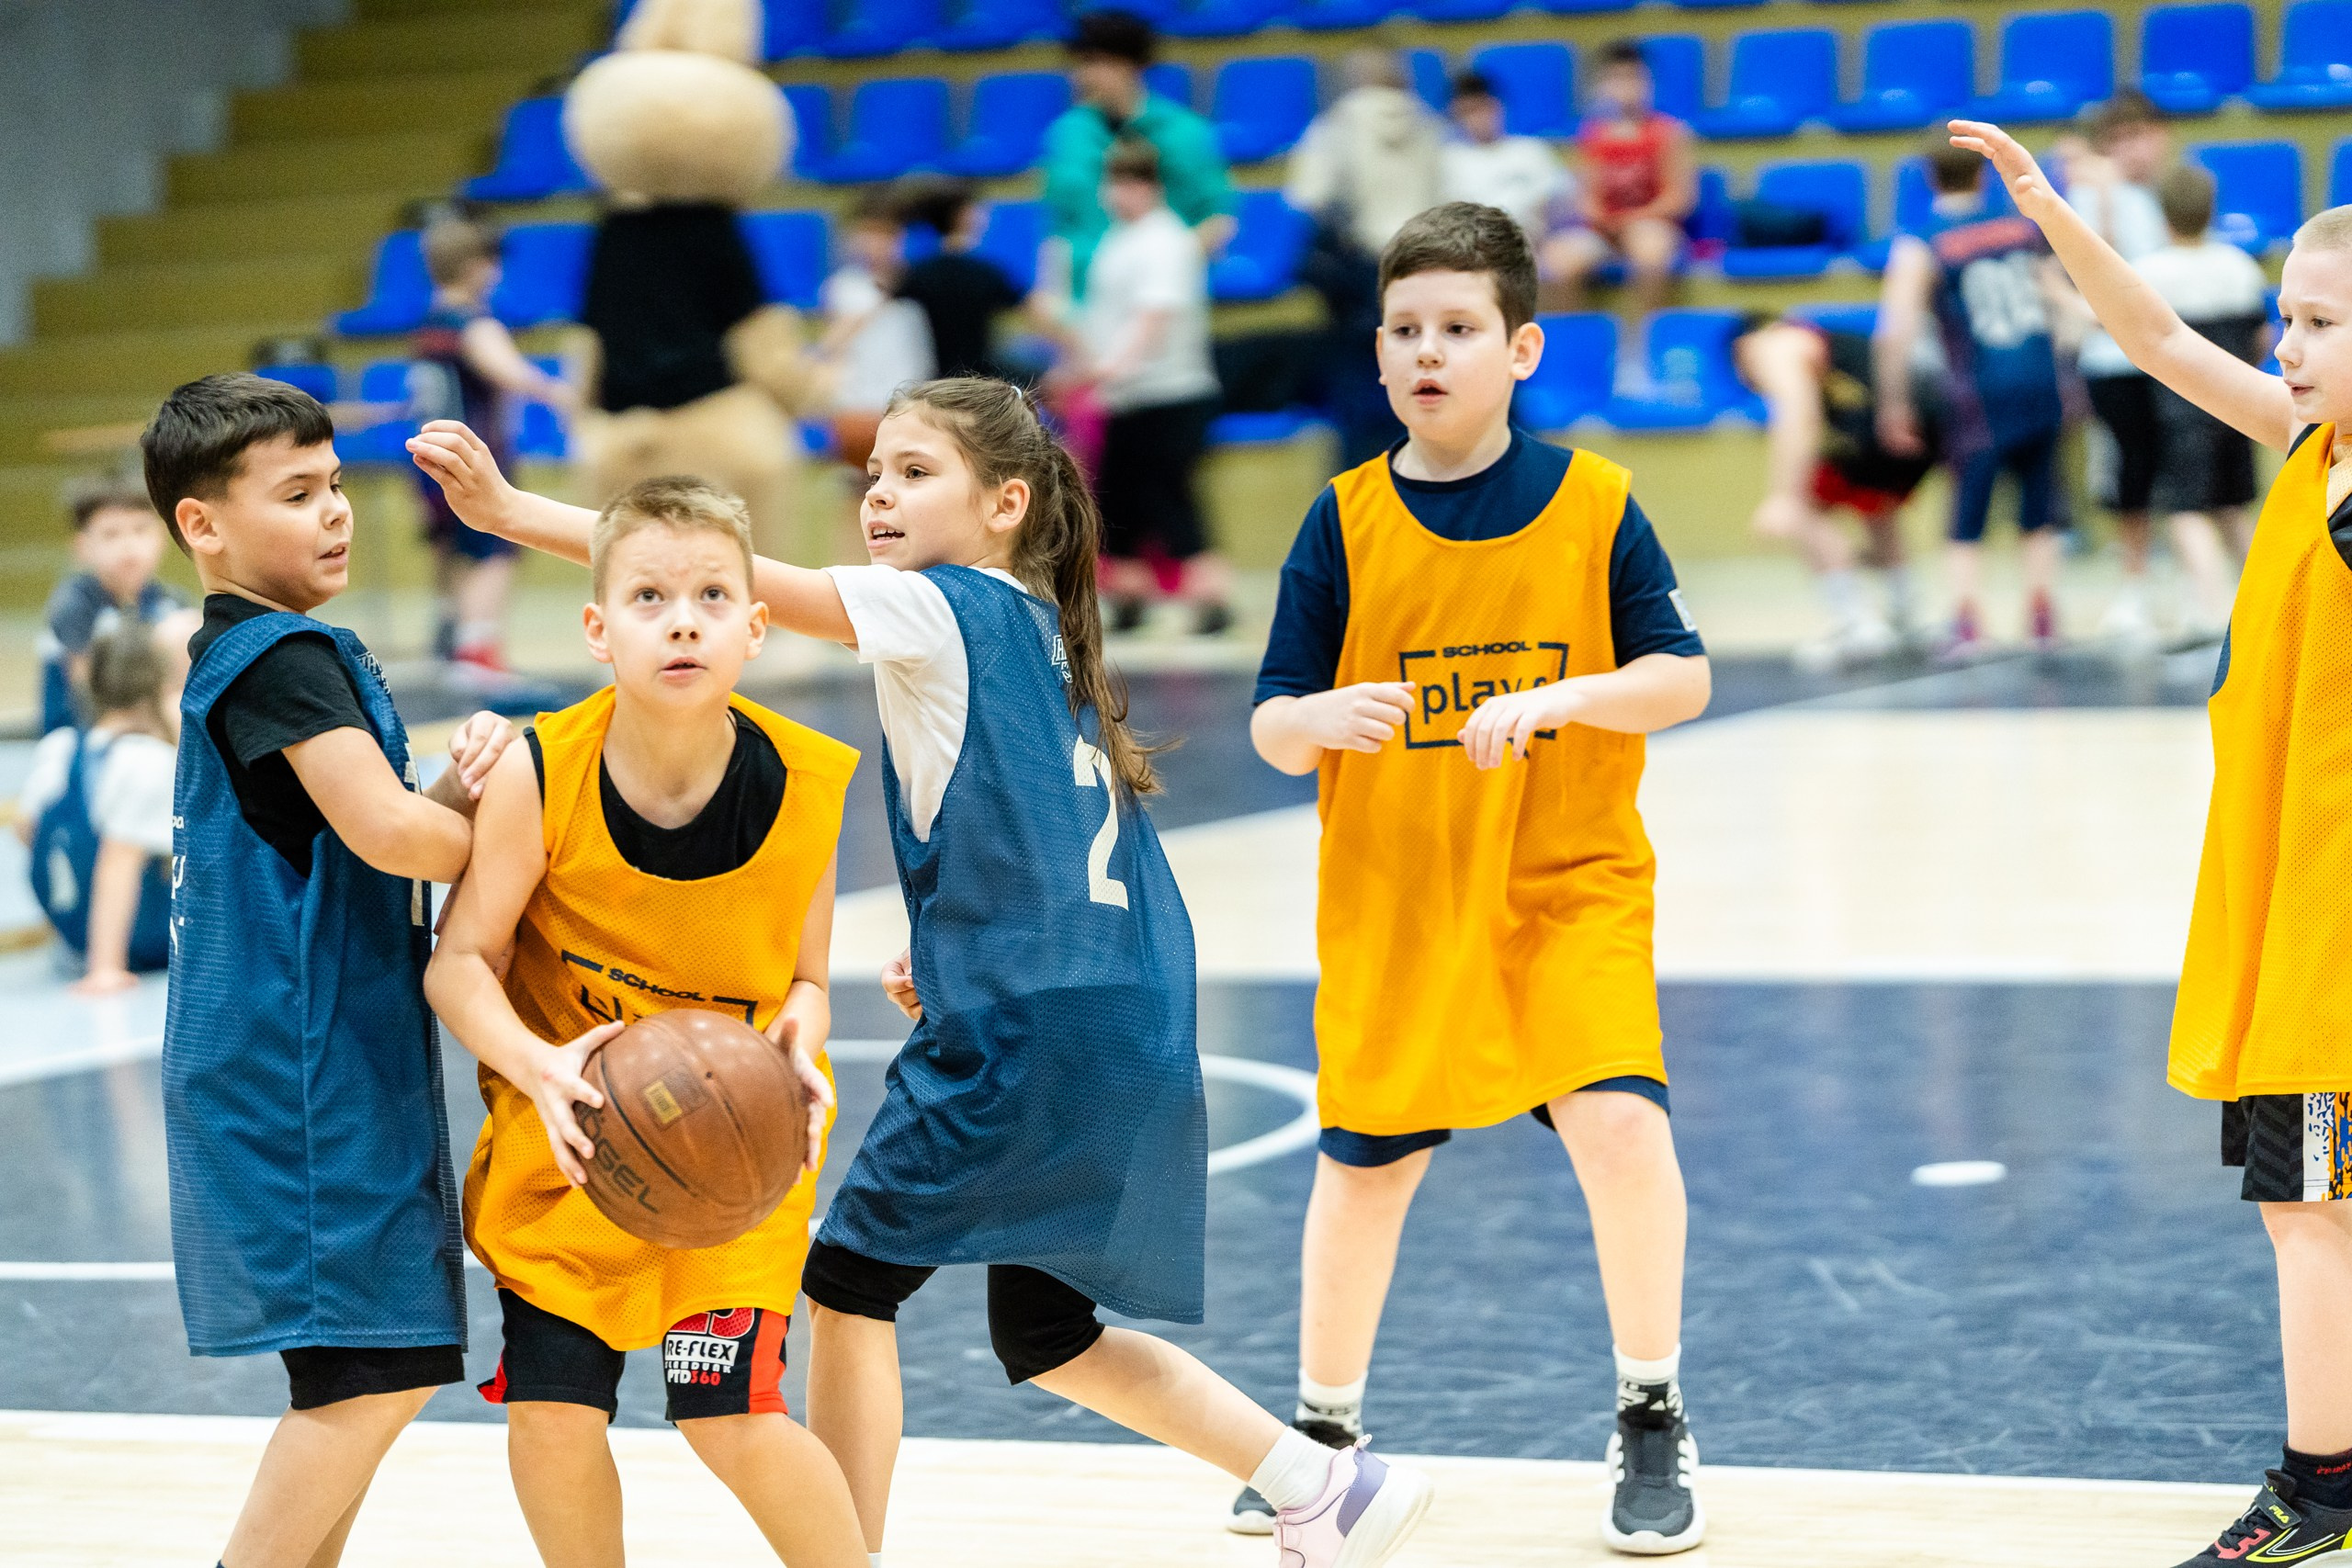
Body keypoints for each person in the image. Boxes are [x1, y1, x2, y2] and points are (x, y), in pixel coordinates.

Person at [407, 378, 1437, 1568]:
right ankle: (1319, 1483)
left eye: (914, 472)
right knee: (1047, 1328)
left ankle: (848, 1558)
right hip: (1121, 995)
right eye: (875, 475)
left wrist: (510, 511)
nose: (880, 496)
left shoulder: (935, 604)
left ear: (1004, 503)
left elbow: (723, 575)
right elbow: (1036, 831)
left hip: (1032, 1016)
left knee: (848, 1283)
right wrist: (953, 947)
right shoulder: (1042, 623)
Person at [1242, 201, 1713, 1553]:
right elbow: (1272, 723)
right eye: (1404, 330)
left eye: (1457, 328)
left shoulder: (1595, 501)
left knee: (1622, 1128)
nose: (1427, 352)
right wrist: (1315, 719)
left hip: (1566, 878)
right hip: (1398, 894)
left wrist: (1569, 698)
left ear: (1520, 349)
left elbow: (1681, 679)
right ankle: (1323, 1435)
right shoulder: (1341, 520)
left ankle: (1651, 1407)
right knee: (1366, 1168)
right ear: (1377, 352)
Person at [1956, 114, 2352, 1568]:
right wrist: (2057, 214)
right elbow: (2163, 341)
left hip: (2331, 933)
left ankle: (2322, 1486)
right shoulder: (2312, 448)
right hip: (2289, 898)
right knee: (2314, 1206)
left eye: (2319, 323)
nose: (2286, 345)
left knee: (2307, 1206)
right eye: (2286, 317)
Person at [424, 477, 868, 1568]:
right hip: (576, 1144)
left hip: (735, 1149)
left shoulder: (808, 782)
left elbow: (808, 982)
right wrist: (536, 1066)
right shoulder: (538, 772)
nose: (682, 622)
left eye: (712, 596)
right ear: (598, 629)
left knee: (732, 1416)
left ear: (755, 627)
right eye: (650, 598)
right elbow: (458, 963)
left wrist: (799, 1035)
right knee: (552, 1413)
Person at [144, 372, 514, 1568]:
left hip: (306, 1054)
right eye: (298, 493)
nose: (337, 511)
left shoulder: (255, 653)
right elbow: (392, 836)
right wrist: (522, 833)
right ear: (203, 524)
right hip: (298, 1069)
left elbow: (373, 824)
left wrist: (459, 788)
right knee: (371, 1371)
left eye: (338, 484)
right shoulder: (278, 656)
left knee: (365, 1369)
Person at [1875, 140, 2080, 660]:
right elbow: (2062, 303)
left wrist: (1893, 403)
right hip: (2039, 378)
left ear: (1929, 178)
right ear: (1982, 176)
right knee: (2039, 506)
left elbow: (1895, 331)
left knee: (1967, 513)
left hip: (1978, 391)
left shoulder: (1924, 243)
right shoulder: (2021, 228)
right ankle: (2042, 619)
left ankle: (1968, 622)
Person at [1062, 137, 1231, 635]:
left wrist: (1112, 365)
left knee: (1170, 499)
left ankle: (1212, 598)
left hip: (1170, 391)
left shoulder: (1165, 240)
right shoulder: (1119, 239)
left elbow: (1155, 315)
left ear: (1150, 186)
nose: (1116, 194)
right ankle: (1129, 597)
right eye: (1112, 183)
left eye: (1127, 183)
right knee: (1119, 502)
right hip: (1125, 397)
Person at [1734, 312, 1944, 670]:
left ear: (1743, 348)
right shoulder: (1824, 349)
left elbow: (1799, 417)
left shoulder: (1774, 344)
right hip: (1925, 420)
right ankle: (1905, 615)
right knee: (1875, 505)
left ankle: (1857, 625)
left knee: (1805, 509)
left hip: (1893, 420)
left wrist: (1784, 496)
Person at [411, 213, 572, 677]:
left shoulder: (430, 325)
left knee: (453, 548)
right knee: (496, 547)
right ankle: (477, 651)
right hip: (471, 455)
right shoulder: (474, 324)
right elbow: (508, 372)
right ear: (475, 266)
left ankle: (450, 639)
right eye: (491, 262)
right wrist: (561, 393)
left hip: (429, 453)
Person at [1291, 51, 1447, 470]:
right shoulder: (1430, 126)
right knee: (1422, 386)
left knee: (1359, 396)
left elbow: (1311, 198)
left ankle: (1365, 490)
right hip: (1421, 269)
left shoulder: (1335, 127)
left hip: (1360, 277)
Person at [2136, 164, 2271, 641]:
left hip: (2182, 411)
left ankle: (2212, 612)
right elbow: (2261, 336)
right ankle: (2270, 605)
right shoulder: (2239, 265)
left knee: (2187, 510)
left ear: (2163, 215)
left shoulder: (2152, 272)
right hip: (2239, 405)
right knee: (2233, 507)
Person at [2063, 91, 2175, 643]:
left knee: (2176, 469)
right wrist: (2104, 199)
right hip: (2113, 359)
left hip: (2166, 354)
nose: (2133, 148)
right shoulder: (2091, 195)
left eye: (2141, 135)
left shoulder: (2163, 196)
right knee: (2131, 472)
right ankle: (2134, 587)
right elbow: (2096, 267)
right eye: (2120, 139)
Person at [20, 621, 181, 993]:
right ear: (160, 685)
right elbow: (119, 861)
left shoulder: (61, 747)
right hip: (135, 940)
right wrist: (105, 966)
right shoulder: (147, 760)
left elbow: (28, 830)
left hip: (73, 932)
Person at [1042, 8, 1234, 298]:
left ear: (1130, 65)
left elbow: (1219, 219)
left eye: (1095, 62)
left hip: (1160, 301)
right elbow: (1056, 226)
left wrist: (1162, 272)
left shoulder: (1185, 132)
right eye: (1080, 64)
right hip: (1085, 300)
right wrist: (1051, 294)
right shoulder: (1067, 134)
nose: (1082, 76)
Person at [1552, 42, 1696, 333]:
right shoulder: (1593, 136)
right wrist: (1602, 219)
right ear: (1603, 86)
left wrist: (1631, 220)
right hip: (1604, 232)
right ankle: (1573, 345)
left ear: (1649, 83)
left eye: (1634, 78)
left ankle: (1642, 342)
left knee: (1650, 253)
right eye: (1617, 78)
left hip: (1651, 225)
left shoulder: (1669, 133)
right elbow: (1586, 199)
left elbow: (1679, 199)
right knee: (1558, 260)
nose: (1627, 87)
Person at [38, 479, 182, 734]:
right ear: (82, 547)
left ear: (161, 538)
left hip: (151, 733)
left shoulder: (172, 603)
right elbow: (88, 697)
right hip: (80, 737)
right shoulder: (74, 604)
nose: (128, 545)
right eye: (111, 534)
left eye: (140, 530)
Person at [818, 188, 936, 470]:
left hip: (908, 400)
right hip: (857, 405)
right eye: (867, 233)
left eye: (886, 235)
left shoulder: (919, 284)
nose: (875, 244)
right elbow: (834, 343)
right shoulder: (844, 286)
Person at [1438, 72, 1575, 267]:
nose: (1477, 118)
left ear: (1498, 106)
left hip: (1536, 242)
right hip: (1476, 250)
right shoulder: (1448, 159)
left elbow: (1562, 198)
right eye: (1468, 111)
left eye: (1482, 108)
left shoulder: (1531, 150)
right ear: (1456, 114)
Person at [895, 181, 1025, 380]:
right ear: (963, 215)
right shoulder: (985, 272)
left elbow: (877, 308)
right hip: (979, 379)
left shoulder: (917, 273)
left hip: (935, 380)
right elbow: (1040, 312)